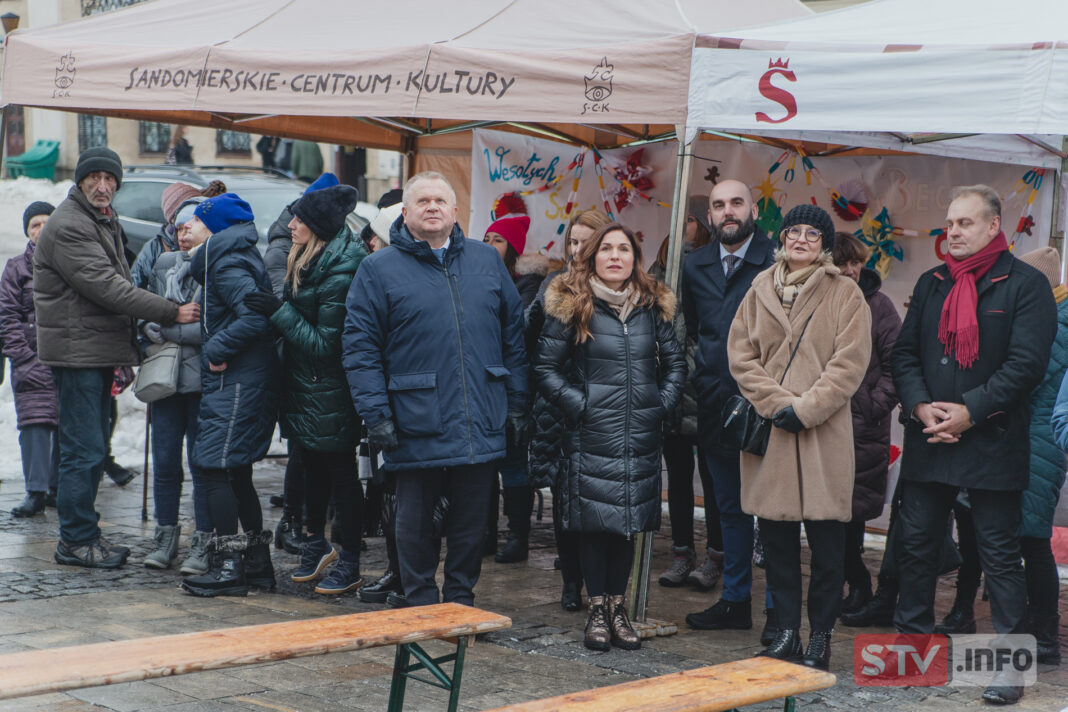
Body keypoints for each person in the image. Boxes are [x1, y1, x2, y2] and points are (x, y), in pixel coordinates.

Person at [891, 185, 1056, 705]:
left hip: (992, 438)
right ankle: (911, 652)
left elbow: (1026, 367)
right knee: (916, 548)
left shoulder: (1025, 285)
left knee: (999, 554)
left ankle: (1008, 667)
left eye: (964, 223)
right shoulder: (933, 280)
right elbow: (904, 355)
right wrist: (920, 406)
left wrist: (969, 412)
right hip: (930, 435)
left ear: (992, 227)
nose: (953, 232)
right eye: (949, 223)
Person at [343, 171, 528, 607]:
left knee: (472, 518)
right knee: (414, 519)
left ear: (455, 211)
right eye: (422, 201)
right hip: (414, 416)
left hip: (480, 411)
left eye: (440, 201)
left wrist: (518, 402)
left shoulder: (486, 261)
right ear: (405, 212)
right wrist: (377, 415)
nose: (432, 207)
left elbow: (513, 338)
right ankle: (421, 598)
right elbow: (360, 349)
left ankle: (461, 598)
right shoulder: (377, 269)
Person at [33, 147, 200, 568]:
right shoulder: (71, 224)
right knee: (83, 450)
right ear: (81, 181)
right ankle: (75, 541)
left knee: (91, 447)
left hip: (93, 350)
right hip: (78, 355)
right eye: (96, 179)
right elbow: (109, 286)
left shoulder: (100, 219)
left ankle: (85, 533)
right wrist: (168, 311)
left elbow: (121, 277)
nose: (104, 187)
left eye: (111, 180)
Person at [728, 204, 871, 669]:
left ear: (825, 245)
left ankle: (820, 638)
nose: (802, 239)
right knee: (778, 544)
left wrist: (805, 410)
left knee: (829, 550)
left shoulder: (846, 293)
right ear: (783, 238)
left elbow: (849, 365)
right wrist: (776, 405)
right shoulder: (758, 289)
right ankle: (787, 632)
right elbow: (741, 356)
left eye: (813, 233)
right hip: (772, 434)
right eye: (795, 231)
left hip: (822, 435)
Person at [535, 222, 686, 651]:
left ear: (635, 259)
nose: (616, 256)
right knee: (594, 526)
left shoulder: (652, 306)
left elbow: (675, 365)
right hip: (590, 434)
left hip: (638, 435)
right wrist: (580, 405)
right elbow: (545, 369)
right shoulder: (573, 303)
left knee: (627, 527)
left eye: (624, 249)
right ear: (593, 256)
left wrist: (659, 404)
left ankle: (618, 609)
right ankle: (597, 611)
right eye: (607, 249)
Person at [244, 184, 368, 595]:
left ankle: (348, 558)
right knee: (312, 470)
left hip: (330, 388)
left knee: (341, 475)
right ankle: (317, 545)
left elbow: (324, 344)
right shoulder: (309, 255)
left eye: (298, 219)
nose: (290, 224)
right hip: (304, 386)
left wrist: (277, 311)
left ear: (318, 228)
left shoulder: (344, 268)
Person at [681, 179, 778, 641]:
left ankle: (778, 610)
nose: (728, 212)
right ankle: (736, 601)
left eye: (736, 203)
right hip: (717, 404)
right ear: (710, 216)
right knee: (731, 509)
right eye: (718, 205)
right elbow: (696, 330)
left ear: (753, 209)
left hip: (767, 406)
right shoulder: (694, 265)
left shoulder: (776, 260)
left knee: (775, 511)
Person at [179, 193, 279, 597]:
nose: (190, 227)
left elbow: (256, 315)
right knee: (235, 470)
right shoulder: (231, 256)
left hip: (237, 381)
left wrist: (217, 349)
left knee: (214, 467)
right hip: (241, 381)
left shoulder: (227, 261)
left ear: (214, 227)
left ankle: (227, 569)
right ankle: (257, 566)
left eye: (198, 221)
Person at [526, 208, 611, 610]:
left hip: (604, 408)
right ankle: (570, 581)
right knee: (563, 496)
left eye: (585, 242)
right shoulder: (553, 285)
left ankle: (601, 585)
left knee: (597, 498)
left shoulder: (617, 287)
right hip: (558, 407)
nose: (577, 250)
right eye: (572, 242)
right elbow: (532, 346)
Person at [263, 172, 340, 555]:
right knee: (300, 449)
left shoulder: (327, 245)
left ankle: (309, 520)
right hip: (295, 363)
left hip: (315, 368)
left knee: (314, 450)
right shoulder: (284, 246)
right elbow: (284, 304)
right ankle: (292, 521)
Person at [649, 195, 724, 591]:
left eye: (692, 219)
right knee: (676, 477)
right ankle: (681, 552)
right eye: (682, 219)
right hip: (670, 388)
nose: (685, 226)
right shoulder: (662, 263)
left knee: (713, 479)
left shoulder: (714, 265)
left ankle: (715, 555)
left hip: (706, 385)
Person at [138, 198, 213, 571]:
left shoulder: (216, 266)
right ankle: (165, 536)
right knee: (165, 461)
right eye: (179, 228)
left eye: (190, 227)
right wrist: (165, 325)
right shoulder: (163, 263)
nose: (184, 235)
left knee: (203, 465)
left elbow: (213, 329)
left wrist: (168, 330)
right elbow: (148, 317)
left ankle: (204, 542)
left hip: (205, 381)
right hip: (164, 381)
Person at [831, 233, 901, 616]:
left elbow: (896, 365)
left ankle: (857, 585)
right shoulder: (820, 301)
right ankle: (852, 585)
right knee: (830, 514)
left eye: (856, 262)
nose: (851, 270)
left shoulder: (880, 306)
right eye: (843, 263)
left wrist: (871, 406)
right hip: (824, 424)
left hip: (863, 428)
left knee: (852, 515)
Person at [483, 213, 548, 563]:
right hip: (483, 385)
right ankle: (486, 533)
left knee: (513, 465)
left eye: (498, 240)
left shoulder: (528, 285)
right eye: (487, 239)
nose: (491, 246)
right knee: (483, 467)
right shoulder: (477, 276)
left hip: (513, 384)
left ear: (513, 249)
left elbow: (517, 332)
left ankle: (517, 537)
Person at [1012, 247, 1065, 666]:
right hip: (1030, 440)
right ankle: (1035, 627)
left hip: (1038, 444)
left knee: (1032, 539)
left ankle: (1044, 635)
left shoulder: (1056, 322)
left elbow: (1027, 377)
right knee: (1027, 538)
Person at [0, 202, 58, 517]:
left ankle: (57, 489)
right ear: (27, 231)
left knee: (66, 426)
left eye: (47, 223)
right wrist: (23, 357)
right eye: (35, 225)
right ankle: (35, 492)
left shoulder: (68, 262)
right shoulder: (16, 268)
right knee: (35, 426)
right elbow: (6, 316)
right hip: (30, 360)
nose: (41, 230)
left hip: (64, 359)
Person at [131, 180, 227, 291]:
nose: (183, 237)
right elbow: (137, 288)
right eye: (180, 228)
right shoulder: (155, 248)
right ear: (172, 219)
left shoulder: (215, 249)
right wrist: (171, 308)